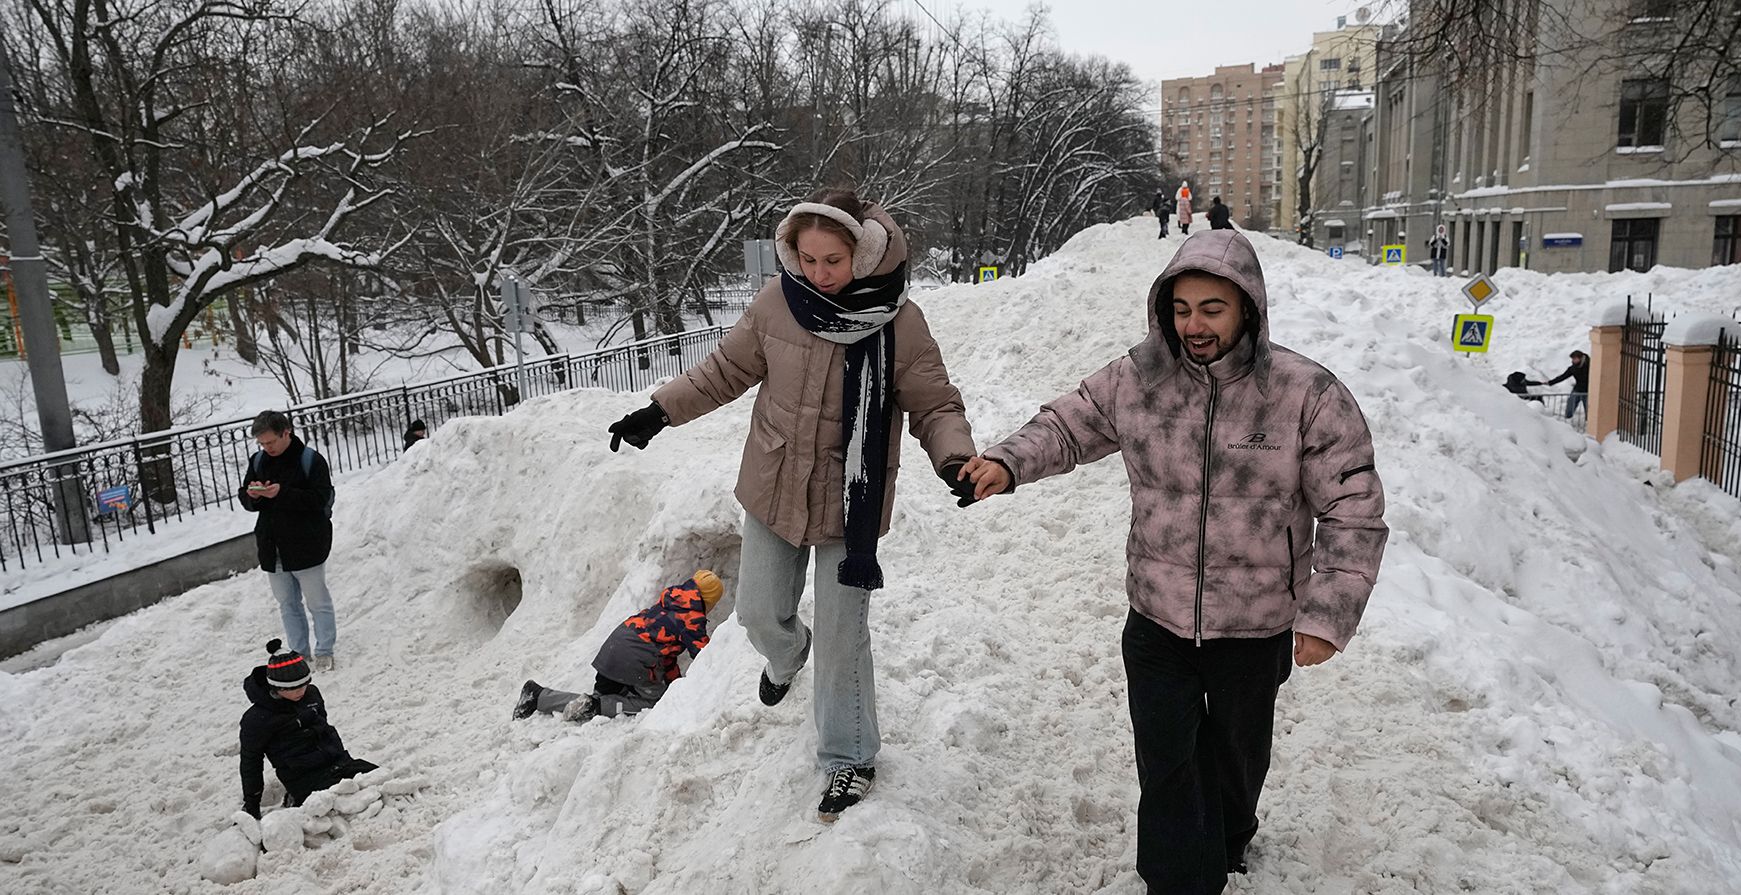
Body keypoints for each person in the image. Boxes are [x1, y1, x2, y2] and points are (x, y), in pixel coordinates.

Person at [958, 229, 1388, 894]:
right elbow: (1070, 424)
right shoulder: (1140, 380)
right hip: (1157, 614)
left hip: (1255, 622)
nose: (1195, 325)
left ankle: (1232, 829)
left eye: (1212, 309)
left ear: (1247, 307)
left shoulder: (1306, 394)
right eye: (1182, 309)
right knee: (1167, 763)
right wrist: (1007, 462)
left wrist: (1327, 614)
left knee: (1236, 758)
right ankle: (1178, 878)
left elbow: (1353, 506)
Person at [604, 188, 978, 823]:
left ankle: (850, 755)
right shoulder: (778, 304)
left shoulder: (899, 321)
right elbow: (723, 370)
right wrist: (660, 411)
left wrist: (954, 458)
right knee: (757, 615)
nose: (819, 274)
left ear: (861, 256)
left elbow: (935, 404)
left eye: (832, 260)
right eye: (807, 259)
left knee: (842, 635)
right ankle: (786, 654)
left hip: (848, 500)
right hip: (773, 484)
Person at [513, 571, 726, 722]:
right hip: (634, 661)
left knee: (600, 698)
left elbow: (667, 657)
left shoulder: (670, 601)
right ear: (709, 600)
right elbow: (705, 657)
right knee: (655, 703)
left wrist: (675, 684)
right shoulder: (691, 617)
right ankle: (595, 707)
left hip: (613, 649)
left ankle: (538, 696)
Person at [239, 411, 339, 671]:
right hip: (272, 546)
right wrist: (254, 496)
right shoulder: (259, 460)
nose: (266, 448)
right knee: (287, 604)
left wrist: (282, 493)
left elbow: (319, 499)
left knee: (317, 601)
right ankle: (298, 652)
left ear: (287, 432)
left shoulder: (310, 461)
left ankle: (325, 649)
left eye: (271, 442)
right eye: (262, 444)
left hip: (307, 544)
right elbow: (246, 497)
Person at [239, 639, 378, 818]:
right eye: (292, 688)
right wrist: (251, 804)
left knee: (380, 779)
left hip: (340, 763)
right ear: (276, 687)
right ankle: (296, 800)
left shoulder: (311, 694)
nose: (300, 692)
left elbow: (323, 728)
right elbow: (251, 763)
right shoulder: (257, 720)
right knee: (339, 806)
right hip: (304, 778)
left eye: (303, 685)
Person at [1545, 350, 1590, 418]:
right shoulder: (1573, 368)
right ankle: (1568, 419)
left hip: (1589, 391)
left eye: (1574, 358)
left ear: (1580, 358)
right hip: (1577, 389)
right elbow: (1563, 376)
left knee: (1589, 409)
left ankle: (1590, 422)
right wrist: (1550, 382)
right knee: (1570, 405)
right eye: (1572, 359)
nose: (1573, 360)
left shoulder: (1590, 366)